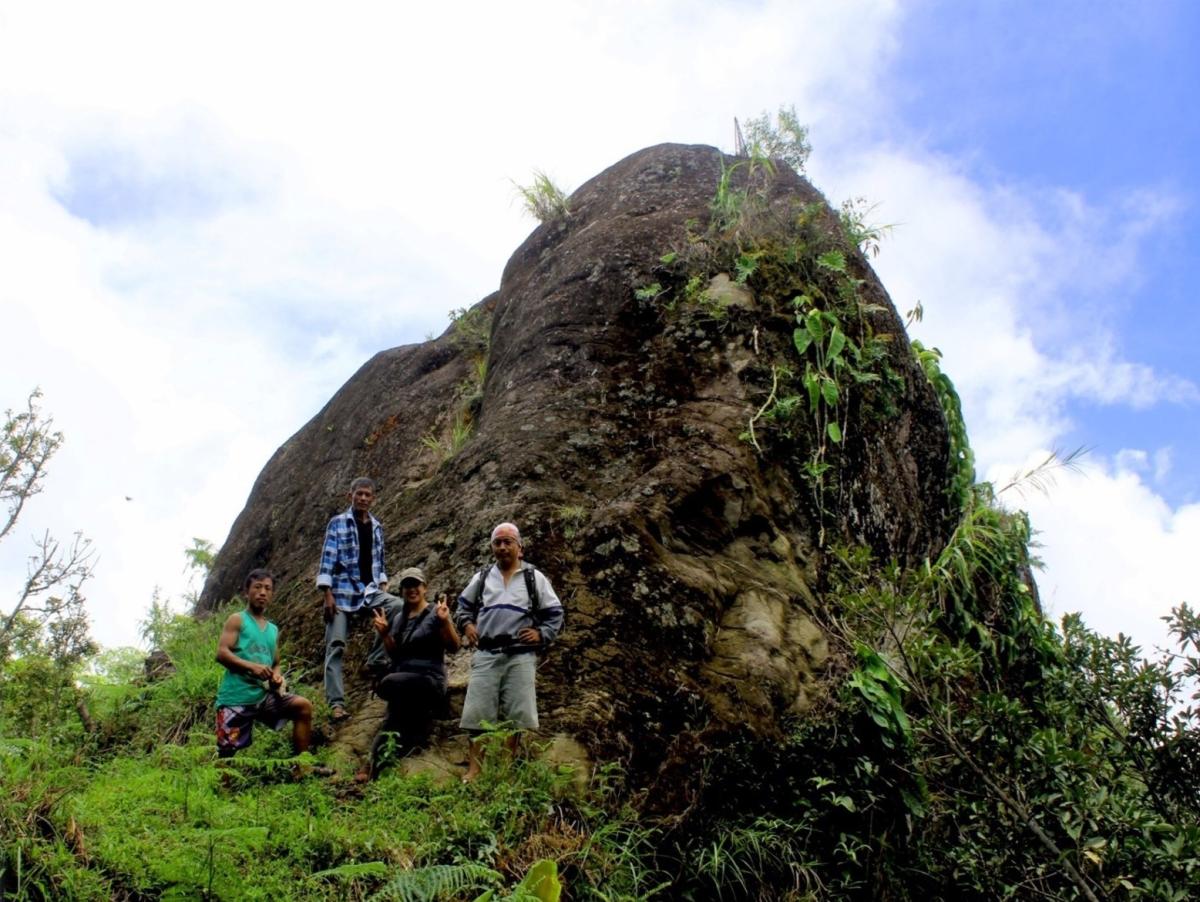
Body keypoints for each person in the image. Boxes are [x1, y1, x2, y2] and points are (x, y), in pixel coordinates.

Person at [455, 522, 564, 782]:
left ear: (520, 548)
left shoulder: (533, 578)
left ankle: (505, 771)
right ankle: (475, 771)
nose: (502, 547)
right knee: (477, 713)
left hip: (520, 656)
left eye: (508, 542)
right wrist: (468, 626)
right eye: (497, 543)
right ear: (492, 547)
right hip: (487, 653)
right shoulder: (482, 578)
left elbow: (555, 613)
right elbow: (462, 608)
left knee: (516, 715)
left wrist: (541, 634)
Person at [361, 566, 460, 779]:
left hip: (430, 678)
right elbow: (395, 654)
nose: (411, 589)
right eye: (407, 586)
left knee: (390, 685)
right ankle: (374, 764)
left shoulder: (436, 612)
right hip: (405, 679)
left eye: (415, 585)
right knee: (396, 711)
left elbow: (454, 646)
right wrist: (385, 634)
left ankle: (372, 765)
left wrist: (445, 622)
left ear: (424, 588)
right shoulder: (400, 618)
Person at [215, 569, 314, 758]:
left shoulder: (272, 630)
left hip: (263, 697)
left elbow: (275, 662)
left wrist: (277, 676)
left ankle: (303, 767)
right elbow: (221, 653)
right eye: (257, 587)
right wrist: (252, 666)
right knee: (227, 754)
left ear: (272, 594)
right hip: (235, 697)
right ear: (247, 592)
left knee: (303, 706)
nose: (263, 592)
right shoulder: (237, 620)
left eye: (268, 588)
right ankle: (223, 788)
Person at [316, 476, 388, 721]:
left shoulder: (377, 527)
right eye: (359, 494)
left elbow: (380, 560)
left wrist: (383, 584)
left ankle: (376, 660)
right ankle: (336, 703)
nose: (363, 498)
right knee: (335, 645)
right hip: (342, 591)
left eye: (368, 495)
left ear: (373, 498)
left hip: (370, 590)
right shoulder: (338, 523)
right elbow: (328, 559)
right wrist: (327, 594)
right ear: (351, 496)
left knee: (398, 608)